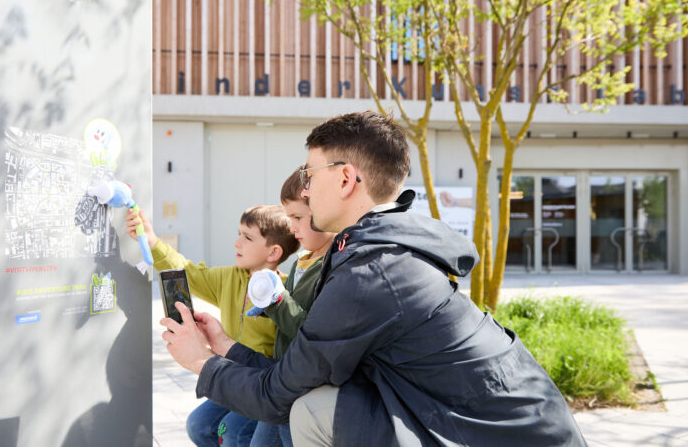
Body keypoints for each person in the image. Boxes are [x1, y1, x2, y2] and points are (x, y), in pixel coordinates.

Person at [162, 111, 586, 446]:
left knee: (312, 411)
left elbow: (281, 395)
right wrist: (227, 348)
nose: (305, 191)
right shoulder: (379, 247)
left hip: (495, 438)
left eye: (310, 176)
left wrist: (200, 361)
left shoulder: (373, 271)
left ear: (345, 178)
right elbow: (304, 366)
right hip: (493, 425)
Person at [126, 204, 299, 446]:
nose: (237, 243)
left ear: (273, 253)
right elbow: (188, 272)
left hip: (260, 386)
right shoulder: (228, 278)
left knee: (232, 433)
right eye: (238, 234)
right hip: (230, 378)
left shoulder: (285, 293)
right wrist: (153, 242)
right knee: (199, 425)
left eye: (247, 237)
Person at [249, 168, 335, 447]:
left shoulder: (332, 266)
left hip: (302, 389)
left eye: (298, 218)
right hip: (285, 380)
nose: (291, 227)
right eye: (289, 218)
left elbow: (308, 331)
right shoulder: (303, 261)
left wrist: (278, 301)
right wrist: (271, 304)